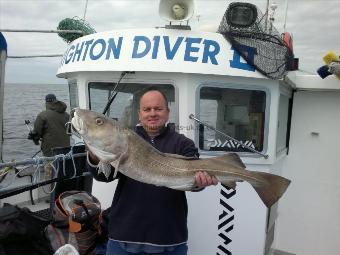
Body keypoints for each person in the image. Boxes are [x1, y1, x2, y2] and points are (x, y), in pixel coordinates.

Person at [86, 88, 218, 255]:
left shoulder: (183, 144)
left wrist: (200, 183)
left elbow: (193, 182)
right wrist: (95, 153)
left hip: (169, 240)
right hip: (123, 238)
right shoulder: (124, 140)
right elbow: (102, 176)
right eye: (147, 109)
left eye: (158, 108)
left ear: (167, 112)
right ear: (139, 114)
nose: (152, 113)